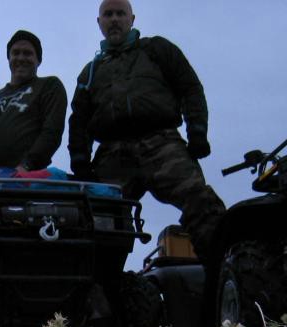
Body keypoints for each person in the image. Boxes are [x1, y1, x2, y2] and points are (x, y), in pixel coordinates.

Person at [68, 0, 225, 264]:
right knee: (97, 220)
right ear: (99, 23)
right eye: (108, 15)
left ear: (132, 19)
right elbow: (79, 120)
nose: (115, 19)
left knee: (202, 203)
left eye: (120, 14)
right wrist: (80, 159)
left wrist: (197, 132)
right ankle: (106, 294)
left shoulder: (157, 49)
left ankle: (223, 275)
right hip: (112, 154)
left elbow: (190, 88)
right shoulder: (90, 72)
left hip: (161, 143)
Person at [0, 30, 67, 177]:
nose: (21, 58)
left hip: (24, 179)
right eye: (15, 53)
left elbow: (52, 131)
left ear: (38, 60)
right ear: (9, 58)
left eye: (27, 53)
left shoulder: (49, 86)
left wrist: (27, 165)